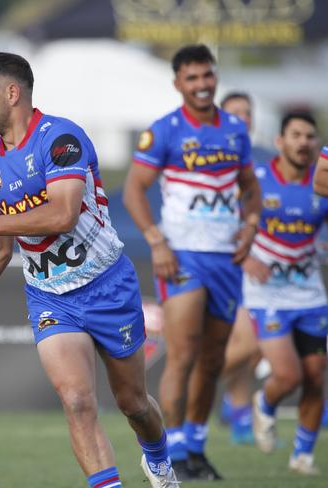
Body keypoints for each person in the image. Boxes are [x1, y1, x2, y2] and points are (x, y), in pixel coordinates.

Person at [0, 52, 178, 488]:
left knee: (133, 403)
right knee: (76, 400)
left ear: (12, 92)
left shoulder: (61, 138)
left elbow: (63, 215)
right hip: (51, 297)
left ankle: (159, 461)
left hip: (108, 286)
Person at [123, 44, 262, 481]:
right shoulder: (164, 131)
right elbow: (133, 191)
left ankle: (197, 449)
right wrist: (157, 242)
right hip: (183, 257)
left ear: (214, 78)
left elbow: (249, 187)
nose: (202, 85)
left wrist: (251, 225)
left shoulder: (236, 130)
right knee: (182, 354)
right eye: (192, 78)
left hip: (226, 257)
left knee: (213, 359)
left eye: (207, 76)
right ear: (178, 83)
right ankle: (173, 449)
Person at [248, 112, 326, 475]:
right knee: (289, 375)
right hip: (269, 296)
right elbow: (229, 222)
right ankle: (264, 404)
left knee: (315, 375)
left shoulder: (321, 185)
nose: (303, 142)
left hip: (309, 293)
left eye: (310, 136)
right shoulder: (258, 180)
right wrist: (246, 257)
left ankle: (303, 456)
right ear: (279, 141)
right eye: (296, 135)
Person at [218, 91, 275, 444]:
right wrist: (243, 255)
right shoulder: (215, 163)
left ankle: (238, 412)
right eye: (234, 112)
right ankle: (190, 386)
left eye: (247, 112)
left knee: (253, 348)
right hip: (224, 267)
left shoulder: (263, 164)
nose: (243, 118)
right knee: (251, 342)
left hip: (260, 271)